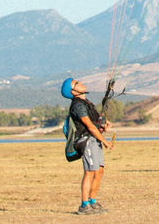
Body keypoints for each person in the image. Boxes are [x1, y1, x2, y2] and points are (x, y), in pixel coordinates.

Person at [65, 78, 113, 215]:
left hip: (94, 139)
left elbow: (95, 124)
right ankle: (84, 205)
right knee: (89, 171)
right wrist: (105, 141)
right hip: (86, 141)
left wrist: (103, 127)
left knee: (99, 171)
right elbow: (90, 126)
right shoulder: (77, 106)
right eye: (76, 83)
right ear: (73, 92)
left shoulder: (87, 103)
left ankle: (92, 201)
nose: (80, 83)